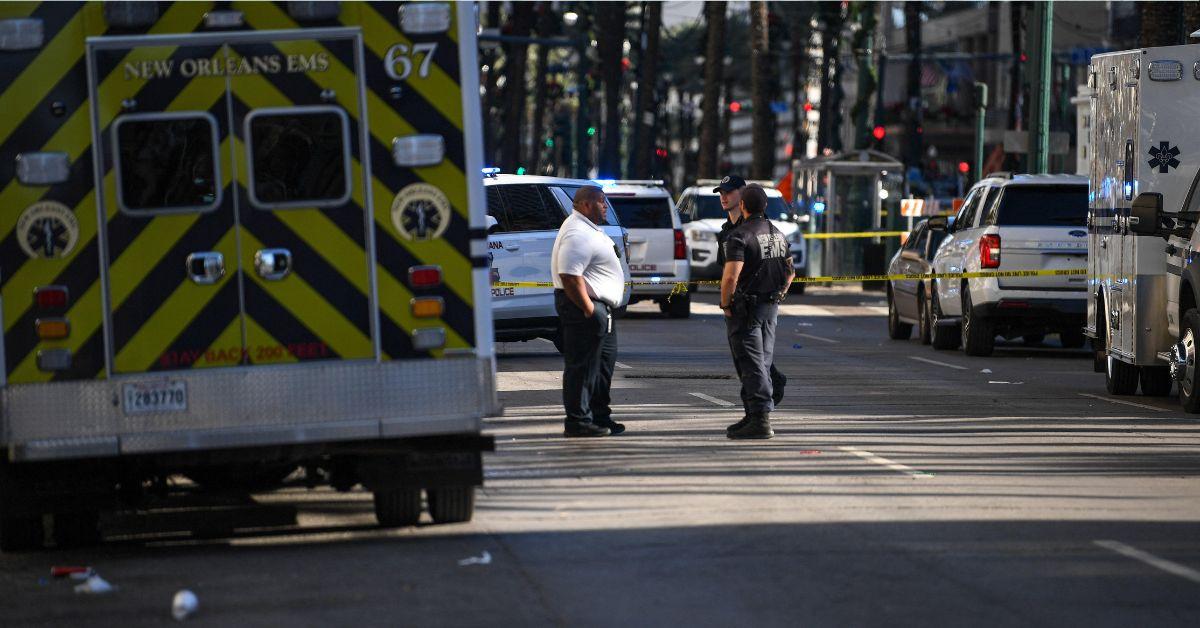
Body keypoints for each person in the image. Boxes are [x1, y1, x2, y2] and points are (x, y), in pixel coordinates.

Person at [719, 184, 794, 439]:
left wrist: (726, 304)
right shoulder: (778, 234)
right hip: (770, 307)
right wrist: (781, 293)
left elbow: (730, 278)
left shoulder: (739, 236)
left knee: (751, 365)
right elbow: (790, 271)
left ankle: (760, 418)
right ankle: (752, 414)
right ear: (765, 206)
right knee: (762, 361)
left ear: (743, 206)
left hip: (746, 309)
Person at [552, 185, 626, 437]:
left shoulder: (588, 228)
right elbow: (569, 275)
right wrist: (588, 308)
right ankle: (578, 421)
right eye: (601, 202)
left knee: (602, 367)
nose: (605, 206)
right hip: (584, 308)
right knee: (582, 367)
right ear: (585, 205)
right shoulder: (577, 232)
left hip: (600, 308)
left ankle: (599, 417)